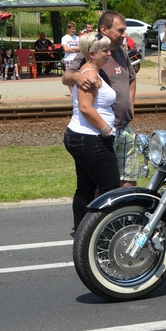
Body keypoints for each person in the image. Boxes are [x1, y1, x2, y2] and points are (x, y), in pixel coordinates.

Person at [63, 11, 140, 187]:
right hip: (103, 131)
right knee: (104, 184)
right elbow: (66, 77)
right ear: (104, 29)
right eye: (120, 31)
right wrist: (76, 78)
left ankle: (126, 214)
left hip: (125, 126)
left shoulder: (121, 52)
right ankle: (105, 215)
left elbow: (132, 79)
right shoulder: (91, 53)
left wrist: (130, 106)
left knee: (129, 179)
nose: (124, 35)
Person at [63, 32, 120, 232]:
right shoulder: (89, 75)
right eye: (104, 50)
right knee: (110, 187)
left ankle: (82, 231)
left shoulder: (90, 71)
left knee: (86, 187)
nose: (108, 53)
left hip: (82, 137)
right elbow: (86, 108)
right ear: (92, 53)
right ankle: (102, 232)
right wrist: (106, 129)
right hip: (90, 139)